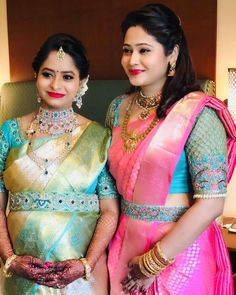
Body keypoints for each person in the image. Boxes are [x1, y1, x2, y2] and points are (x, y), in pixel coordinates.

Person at [106, 3, 236, 294]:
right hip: (123, 247)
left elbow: (212, 202)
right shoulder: (116, 109)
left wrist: (152, 263)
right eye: (127, 50)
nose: (132, 60)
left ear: (172, 53)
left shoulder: (199, 113)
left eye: (144, 50)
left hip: (177, 252)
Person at [0, 33, 119, 294]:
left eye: (67, 76)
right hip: (20, 275)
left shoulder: (100, 138)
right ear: (35, 75)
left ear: (82, 82)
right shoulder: (9, 133)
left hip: (82, 278)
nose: (56, 84)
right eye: (47, 73)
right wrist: (10, 259)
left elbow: (109, 211)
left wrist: (86, 264)